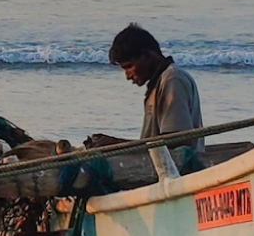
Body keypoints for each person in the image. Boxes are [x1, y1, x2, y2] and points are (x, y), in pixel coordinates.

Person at [86, 23, 204, 170]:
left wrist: (117, 145)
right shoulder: (158, 84)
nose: (128, 76)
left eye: (129, 66)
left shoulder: (172, 79)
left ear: (148, 56)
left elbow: (178, 142)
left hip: (179, 171)